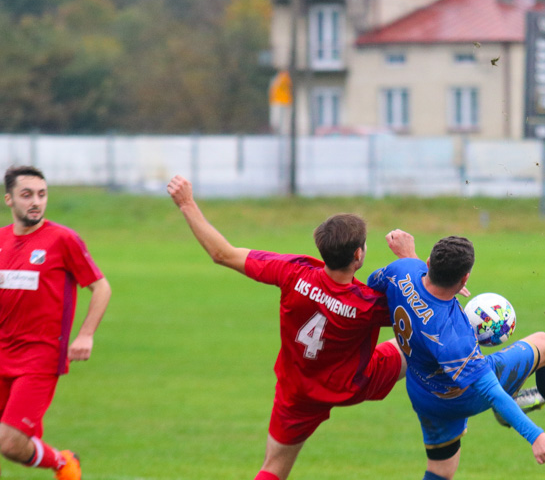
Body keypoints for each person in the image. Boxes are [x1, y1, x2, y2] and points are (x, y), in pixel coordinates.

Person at [167, 175, 406, 480]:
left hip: (297, 392)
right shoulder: (368, 304)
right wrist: (412, 261)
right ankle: (449, 405)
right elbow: (420, 308)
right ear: (359, 254)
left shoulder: (294, 273)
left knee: (273, 470)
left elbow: (222, 253)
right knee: (416, 342)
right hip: (354, 382)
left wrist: (186, 203)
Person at [367, 230, 545, 480]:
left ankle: (510, 402)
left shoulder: (402, 270)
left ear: (428, 264)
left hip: (423, 392)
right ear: (464, 278)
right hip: (462, 397)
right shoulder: (454, 338)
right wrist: (536, 437)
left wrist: (415, 272)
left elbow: (375, 287)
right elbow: (490, 390)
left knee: (441, 471)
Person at [0, 166, 112, 480]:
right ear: (9, 199)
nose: (36, 202)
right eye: (27, 195)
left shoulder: (62, 239)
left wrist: (86, 335)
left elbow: (101, 287)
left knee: (9, 443)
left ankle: (62, 462)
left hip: (40, 356)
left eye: (42, 195)